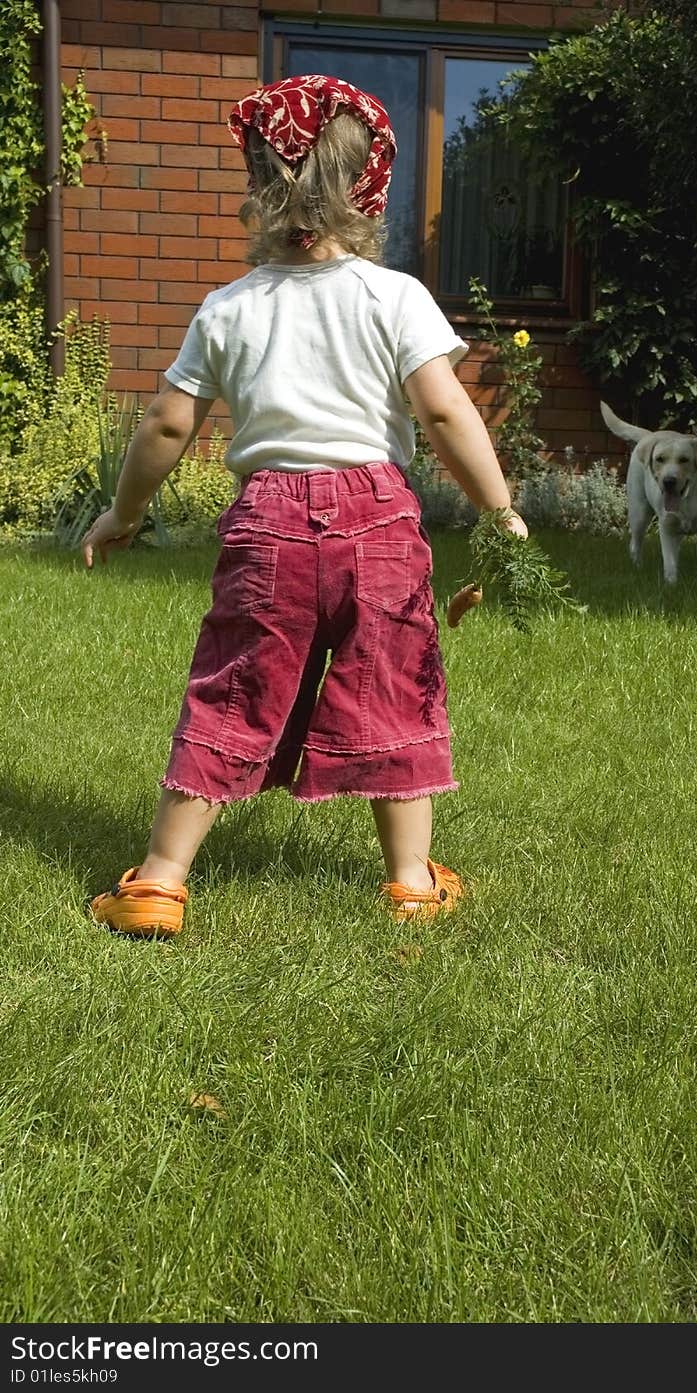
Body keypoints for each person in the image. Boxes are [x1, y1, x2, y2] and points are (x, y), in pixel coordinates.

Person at [83, 74, 527, 940]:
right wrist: (498, 505)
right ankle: (410, 884)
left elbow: (168, 422)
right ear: (369, 186)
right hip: (381, 522)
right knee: (396, 684)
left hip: (268, 526)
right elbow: (443, 411)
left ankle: (161, 881)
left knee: (234, 687)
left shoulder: (229, 308)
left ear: (258, 186)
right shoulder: (391, 296)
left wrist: (122, 512)